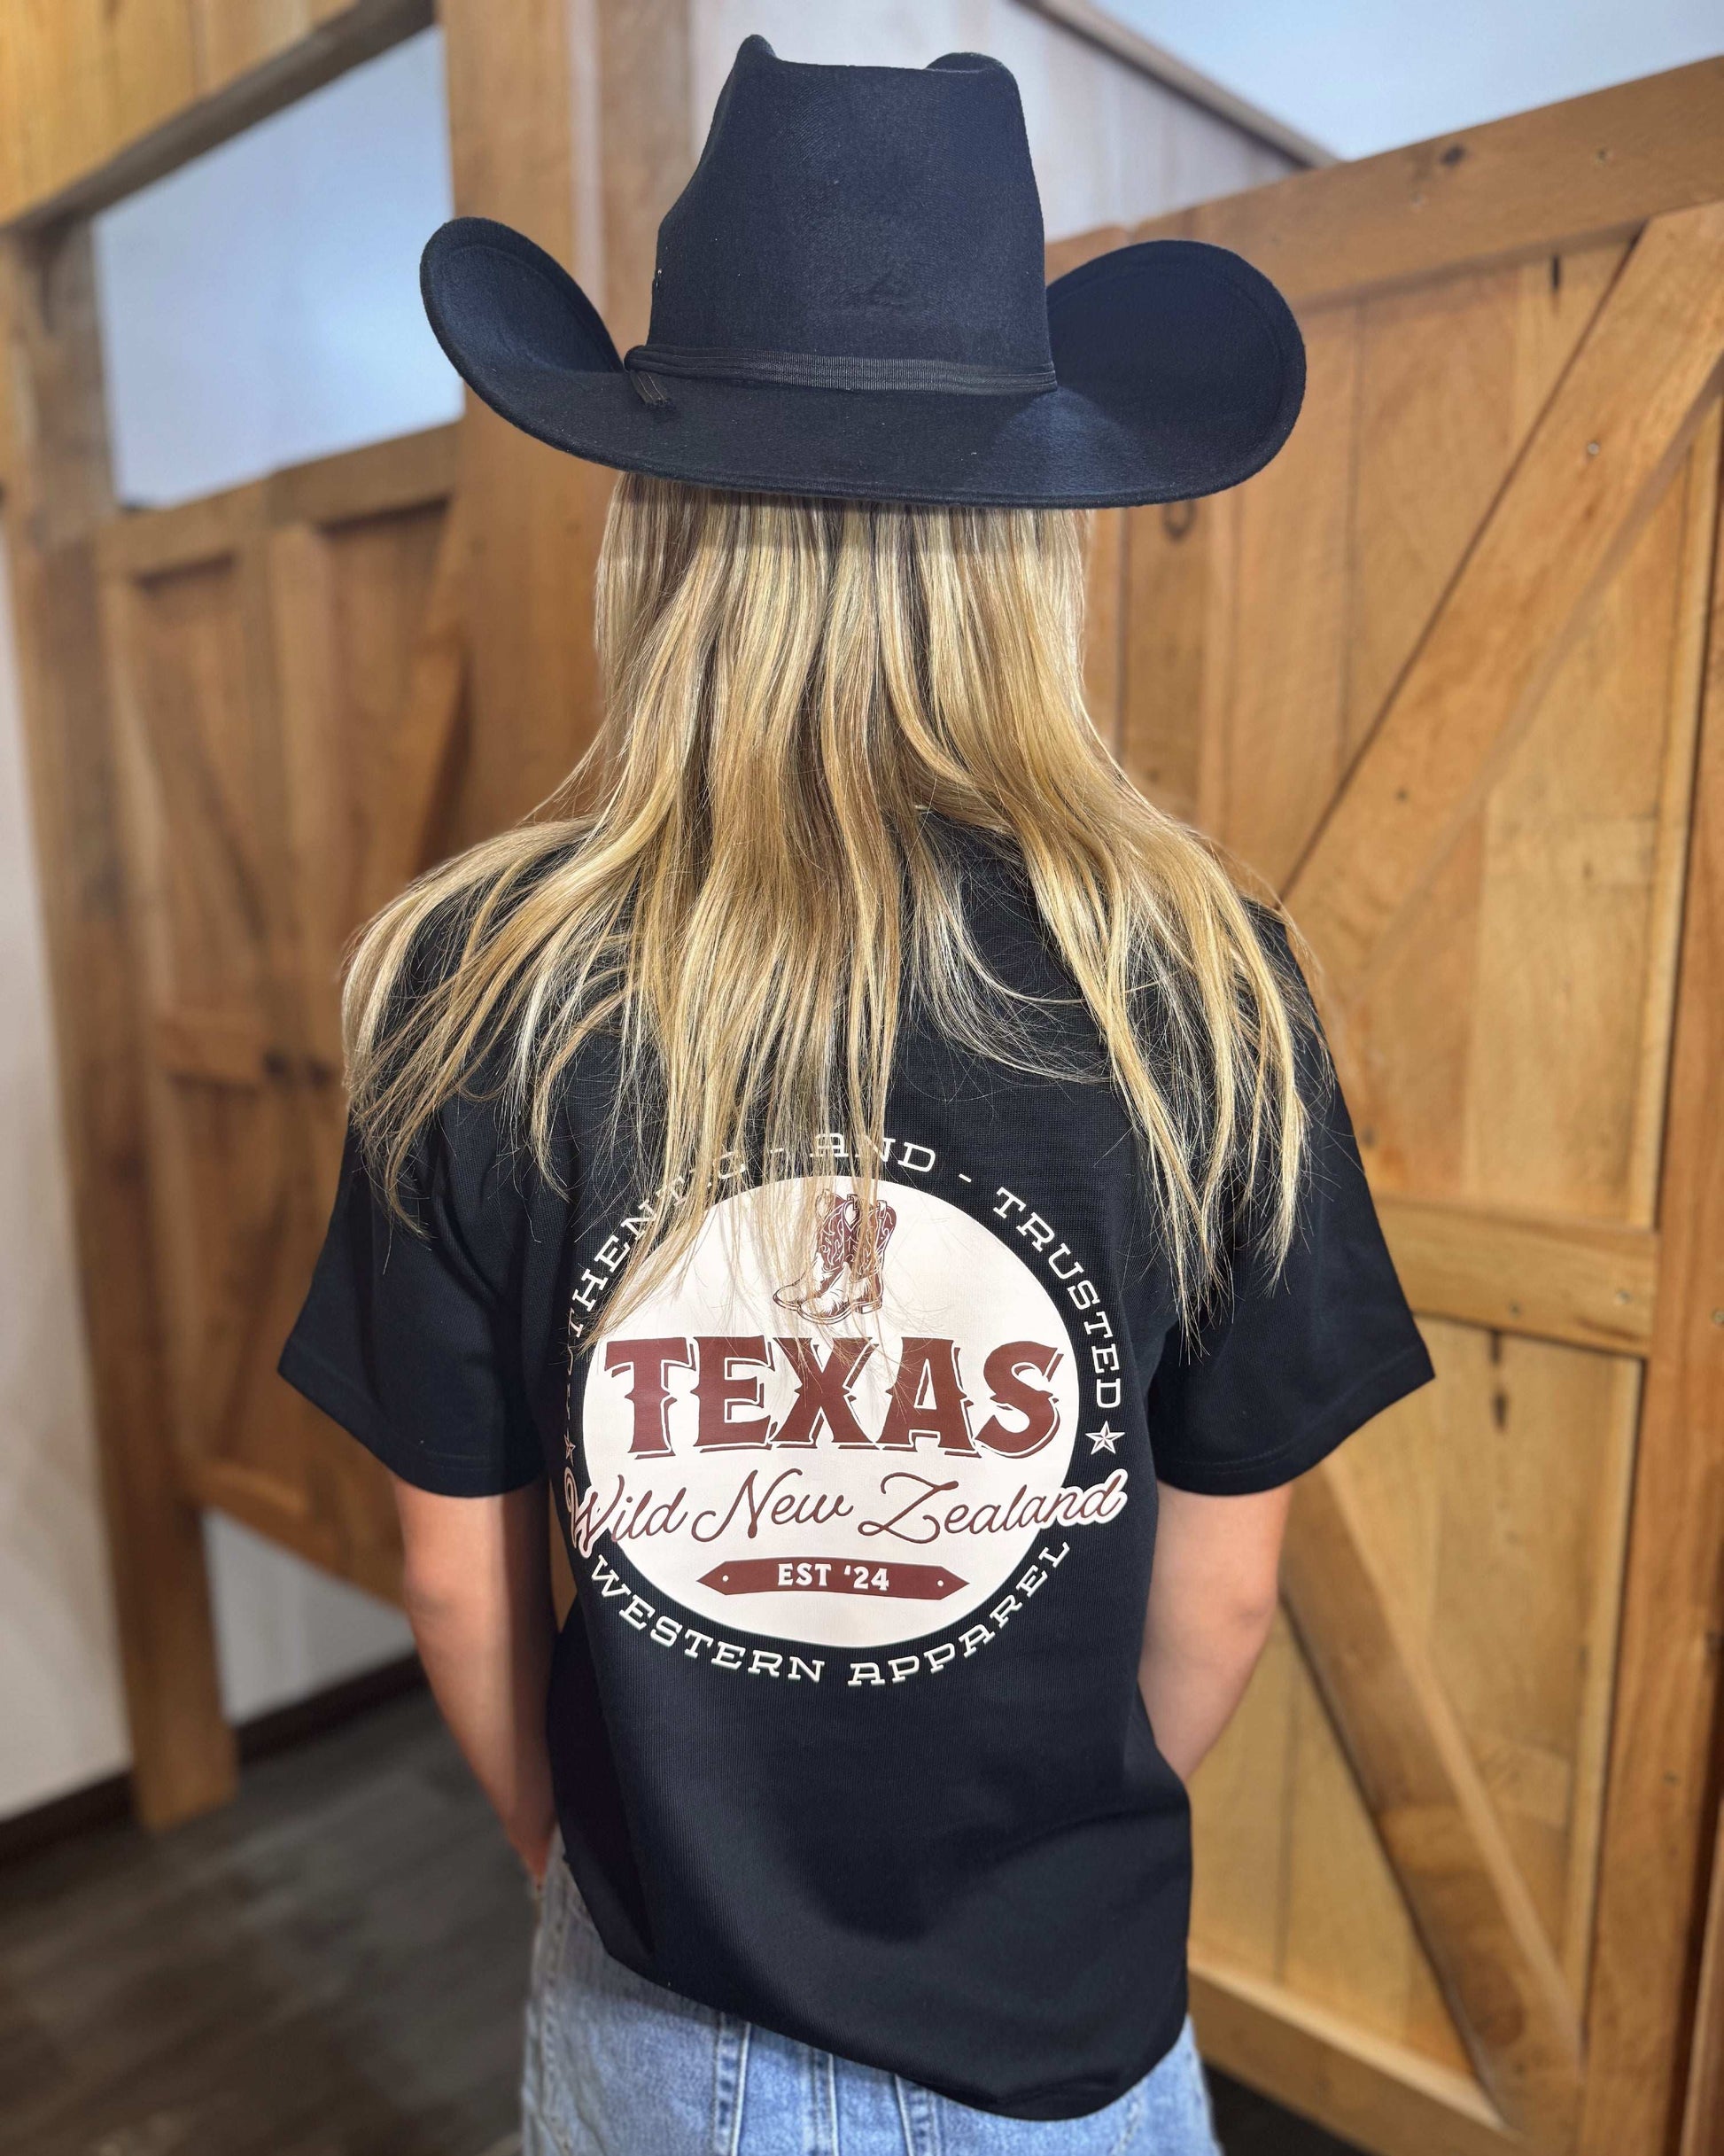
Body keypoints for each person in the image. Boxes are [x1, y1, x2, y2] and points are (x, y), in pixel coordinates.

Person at [281, 37, 1433, 2156]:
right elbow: (1225, 1593)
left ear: (658, 523)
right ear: (1035, 544)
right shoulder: (1202, 988)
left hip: (664, 2021)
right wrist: (1027, 1907)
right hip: (1070, 2039)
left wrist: (599, 1871)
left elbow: (456, 1581)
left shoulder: (477, 986)